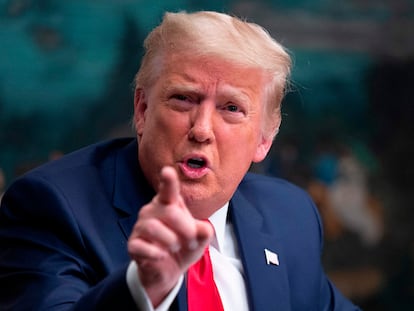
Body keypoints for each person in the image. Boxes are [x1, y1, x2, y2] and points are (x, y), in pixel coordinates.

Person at [0, 11, 360, 310]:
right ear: (142, 110)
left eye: (231, 108)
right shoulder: (51, 207)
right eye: (183, 99)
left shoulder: (288, 214)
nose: (202, 129)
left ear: (264, 139)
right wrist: (145, 287)